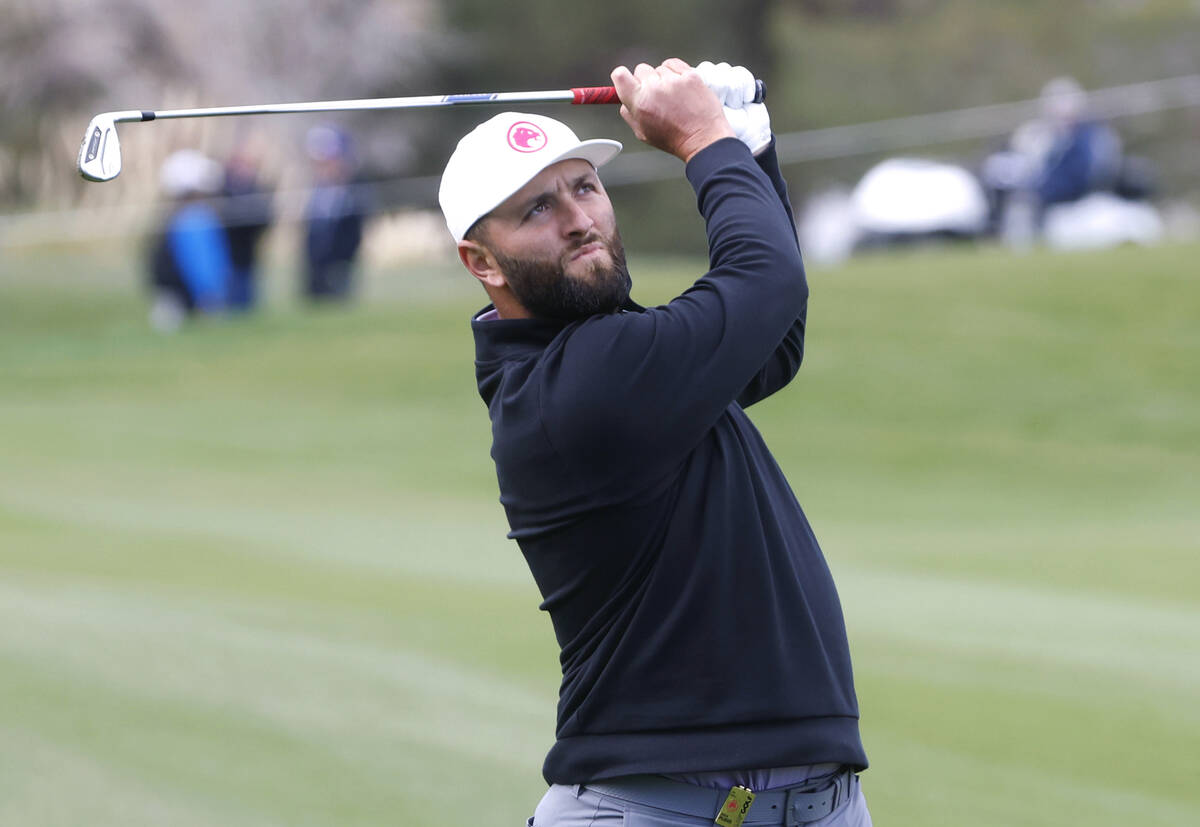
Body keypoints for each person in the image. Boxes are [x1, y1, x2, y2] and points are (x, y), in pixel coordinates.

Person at [438, 59, 871, 826]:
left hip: (810, 804)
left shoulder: (619, 355)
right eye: (536, 209)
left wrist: (749, 146)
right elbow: (765, 284)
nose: (579, 219)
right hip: (652, 808)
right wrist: (708, 139)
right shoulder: (577, 385)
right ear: (482, 262)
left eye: (585, 187)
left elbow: (772, 341)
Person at [147, 149, 234, 331]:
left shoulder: (176, 217)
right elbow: (203, 262)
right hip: (185, 296)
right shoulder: (196, 217)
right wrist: (209, 294)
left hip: (174, 294)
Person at [301, 125, 367, 301]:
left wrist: (343, 259)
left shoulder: (353, 192)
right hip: (315, 267)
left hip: (340, 264)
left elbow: (354, 230)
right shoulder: (316, 191)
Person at [219, 135, 274, 310]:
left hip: (246, 255)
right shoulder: (221, 190)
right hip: (224, 256)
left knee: (245, 302)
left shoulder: (257, 191)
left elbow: (264, 221)